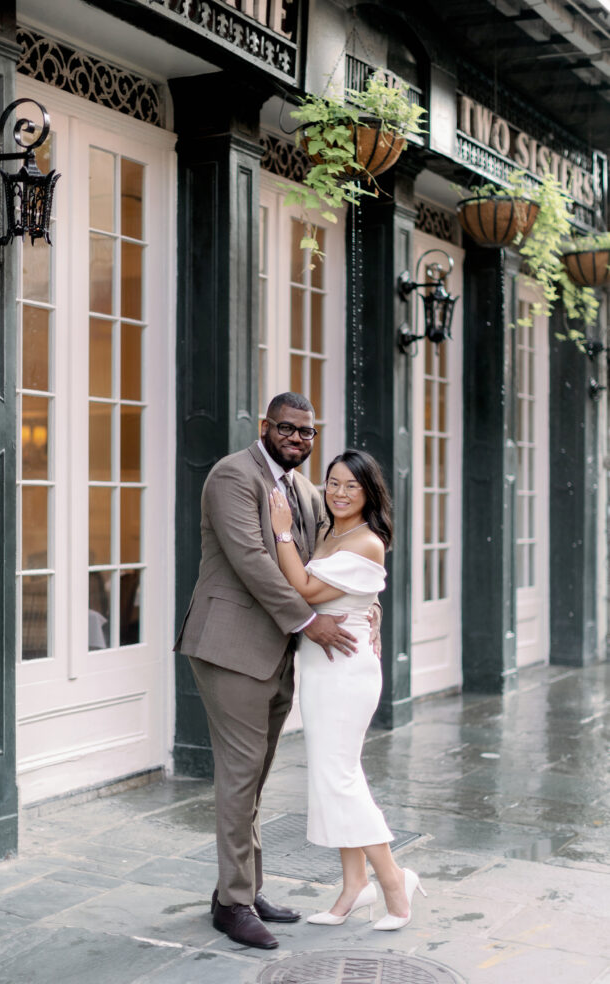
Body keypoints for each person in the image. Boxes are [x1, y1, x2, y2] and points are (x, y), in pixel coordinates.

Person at [175, 392, 364, 950]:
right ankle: (232, 906)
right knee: (239, 776)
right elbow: (253, 561)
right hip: (231, 648)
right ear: (265, 426)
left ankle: (242, 889)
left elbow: (316, 561)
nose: (297, 439)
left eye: (306, 432)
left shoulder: (304, 490)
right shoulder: (233, 476)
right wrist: (310, 622)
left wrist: (359, 602)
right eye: (286, 428)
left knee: (254, 777)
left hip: (277, 652)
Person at [269, 448, 426, 931]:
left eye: (350, 486)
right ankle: (354, 886)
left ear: (368, 492)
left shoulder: (368, 541)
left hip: (346, 669)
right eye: (332, 483)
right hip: (320, 667)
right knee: (333, 774)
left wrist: (280, 532)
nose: (338, 493)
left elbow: (305, 590)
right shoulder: (330, 531)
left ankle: (394, 879)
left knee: (339, 777)